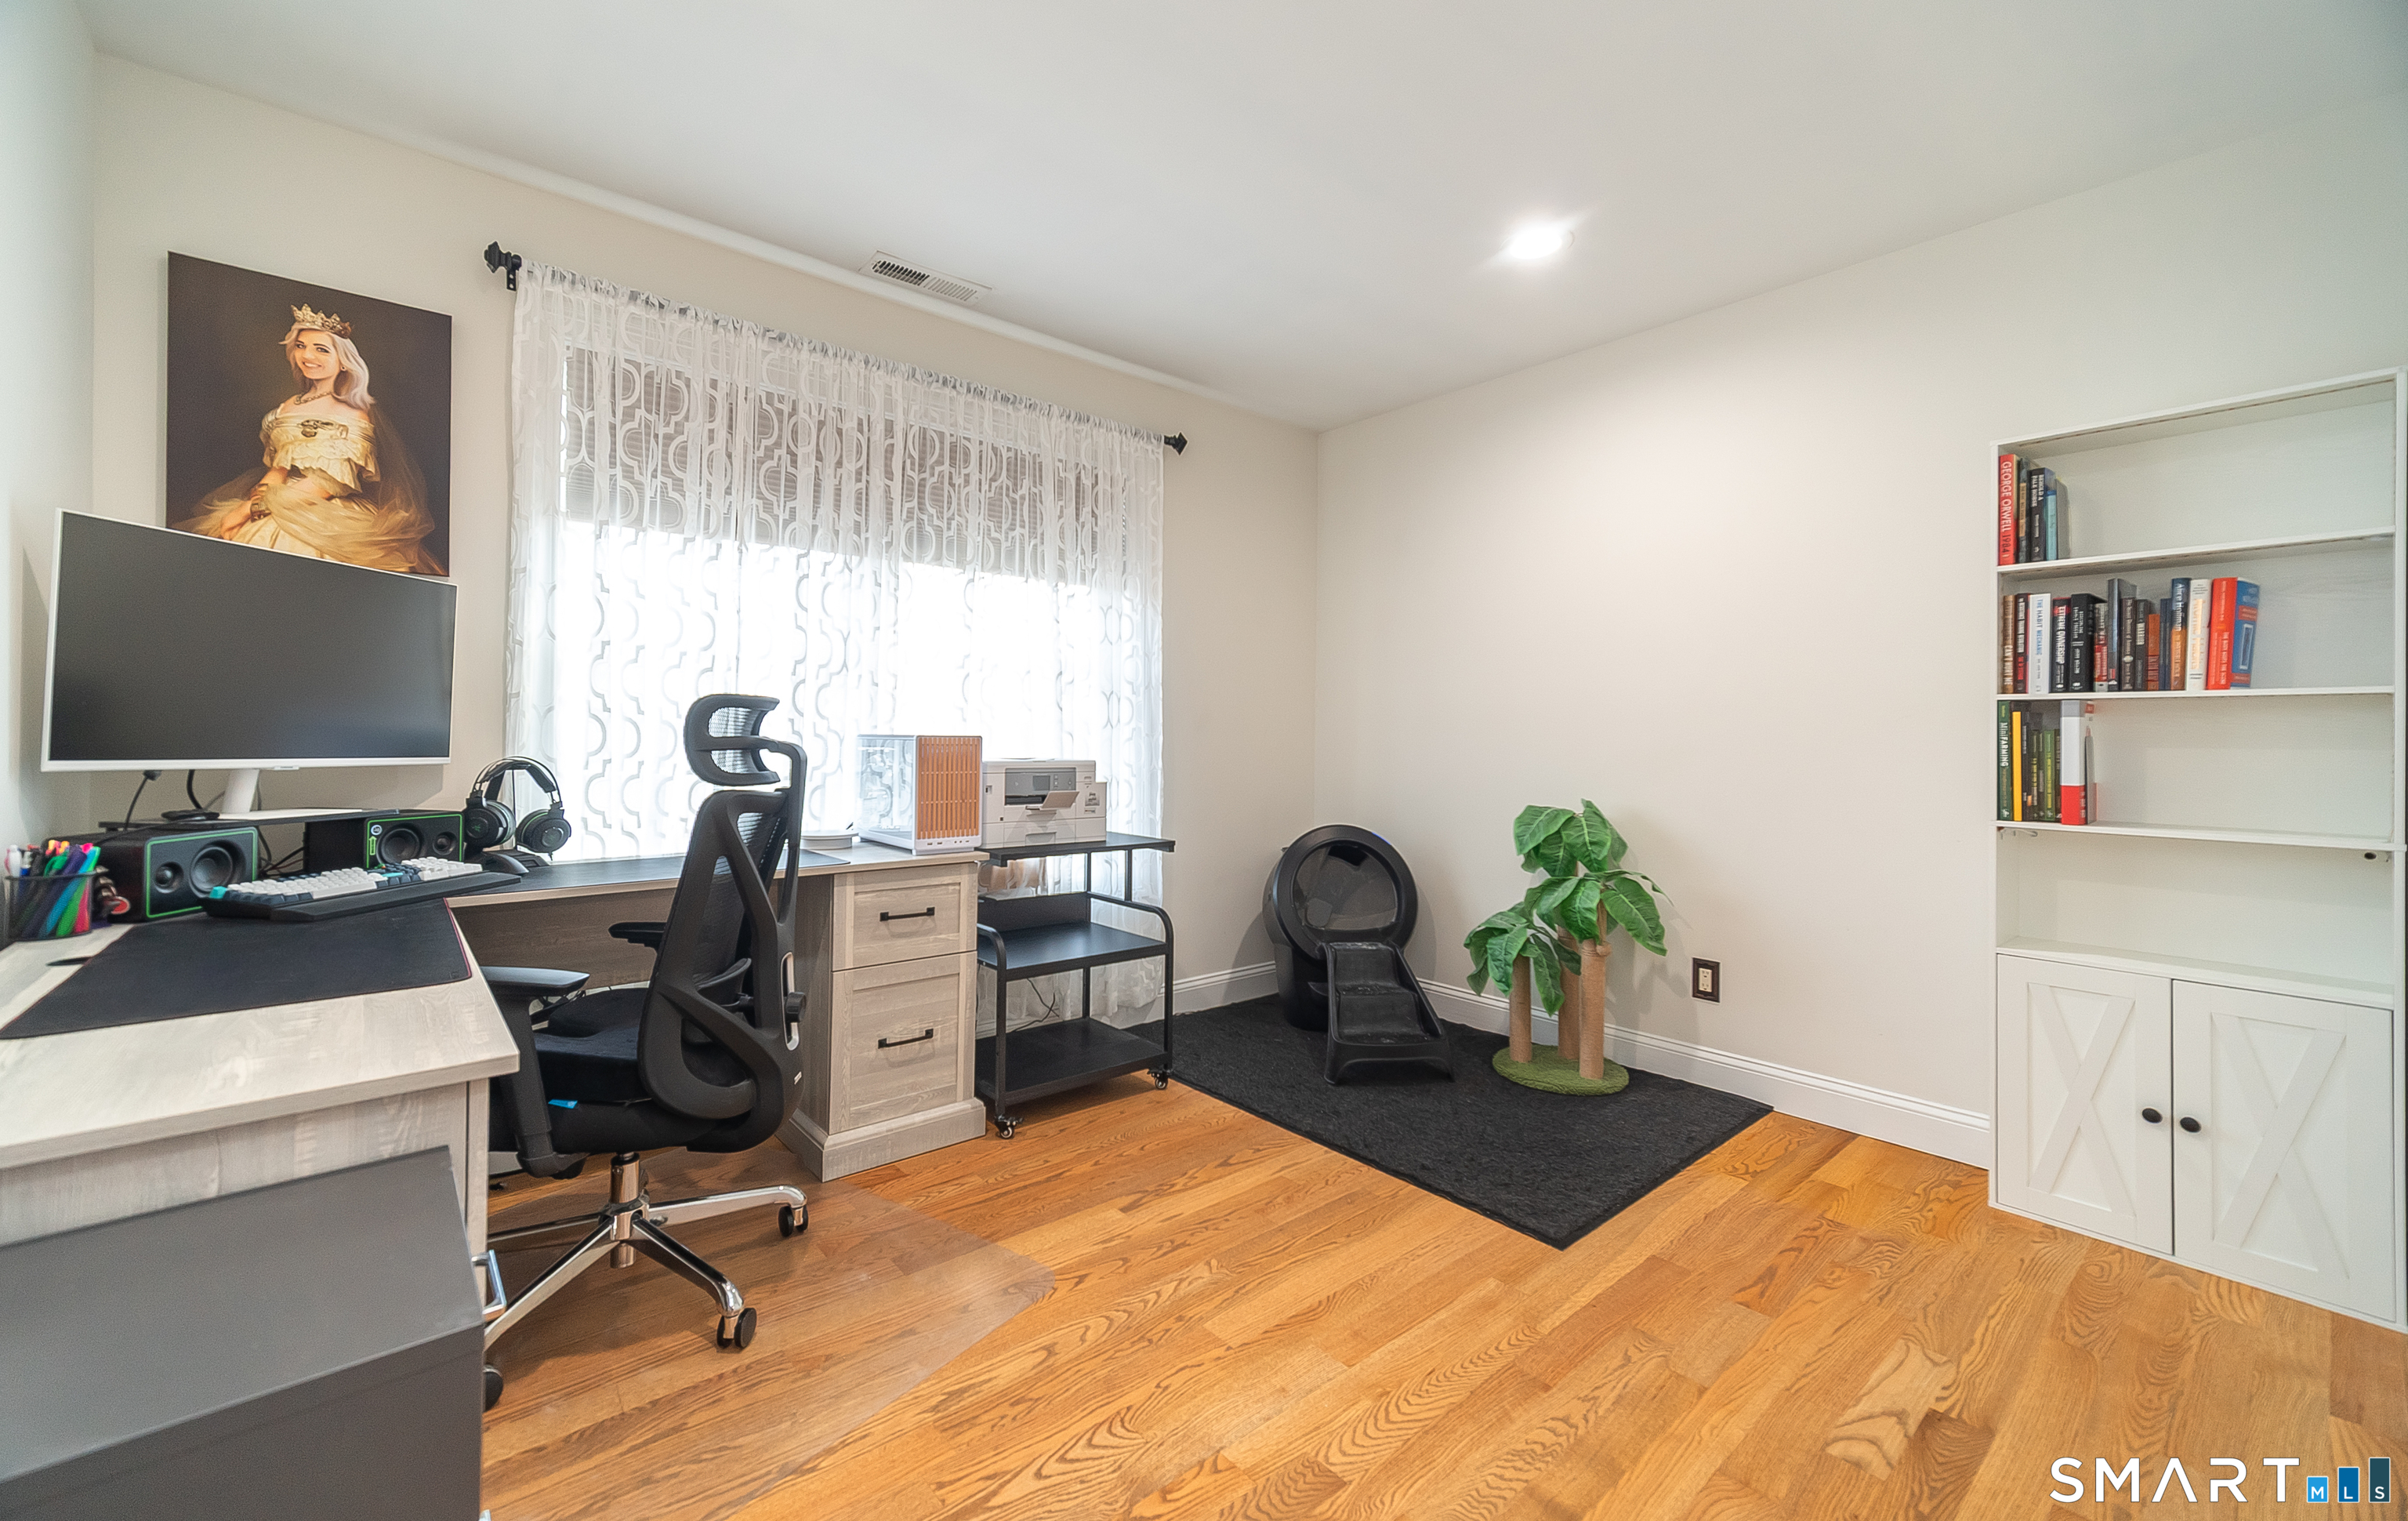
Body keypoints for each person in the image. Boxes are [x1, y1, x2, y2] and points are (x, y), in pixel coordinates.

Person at [174, 303, 444, 575]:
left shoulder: (354, 415)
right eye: (301, 346)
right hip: (278, 500)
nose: (308, 356)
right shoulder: (288, 407)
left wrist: (251, 510)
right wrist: (254, 503)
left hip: (324, 511)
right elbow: (279, 469)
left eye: (321, 349)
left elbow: (324, 485)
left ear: (343, 361)